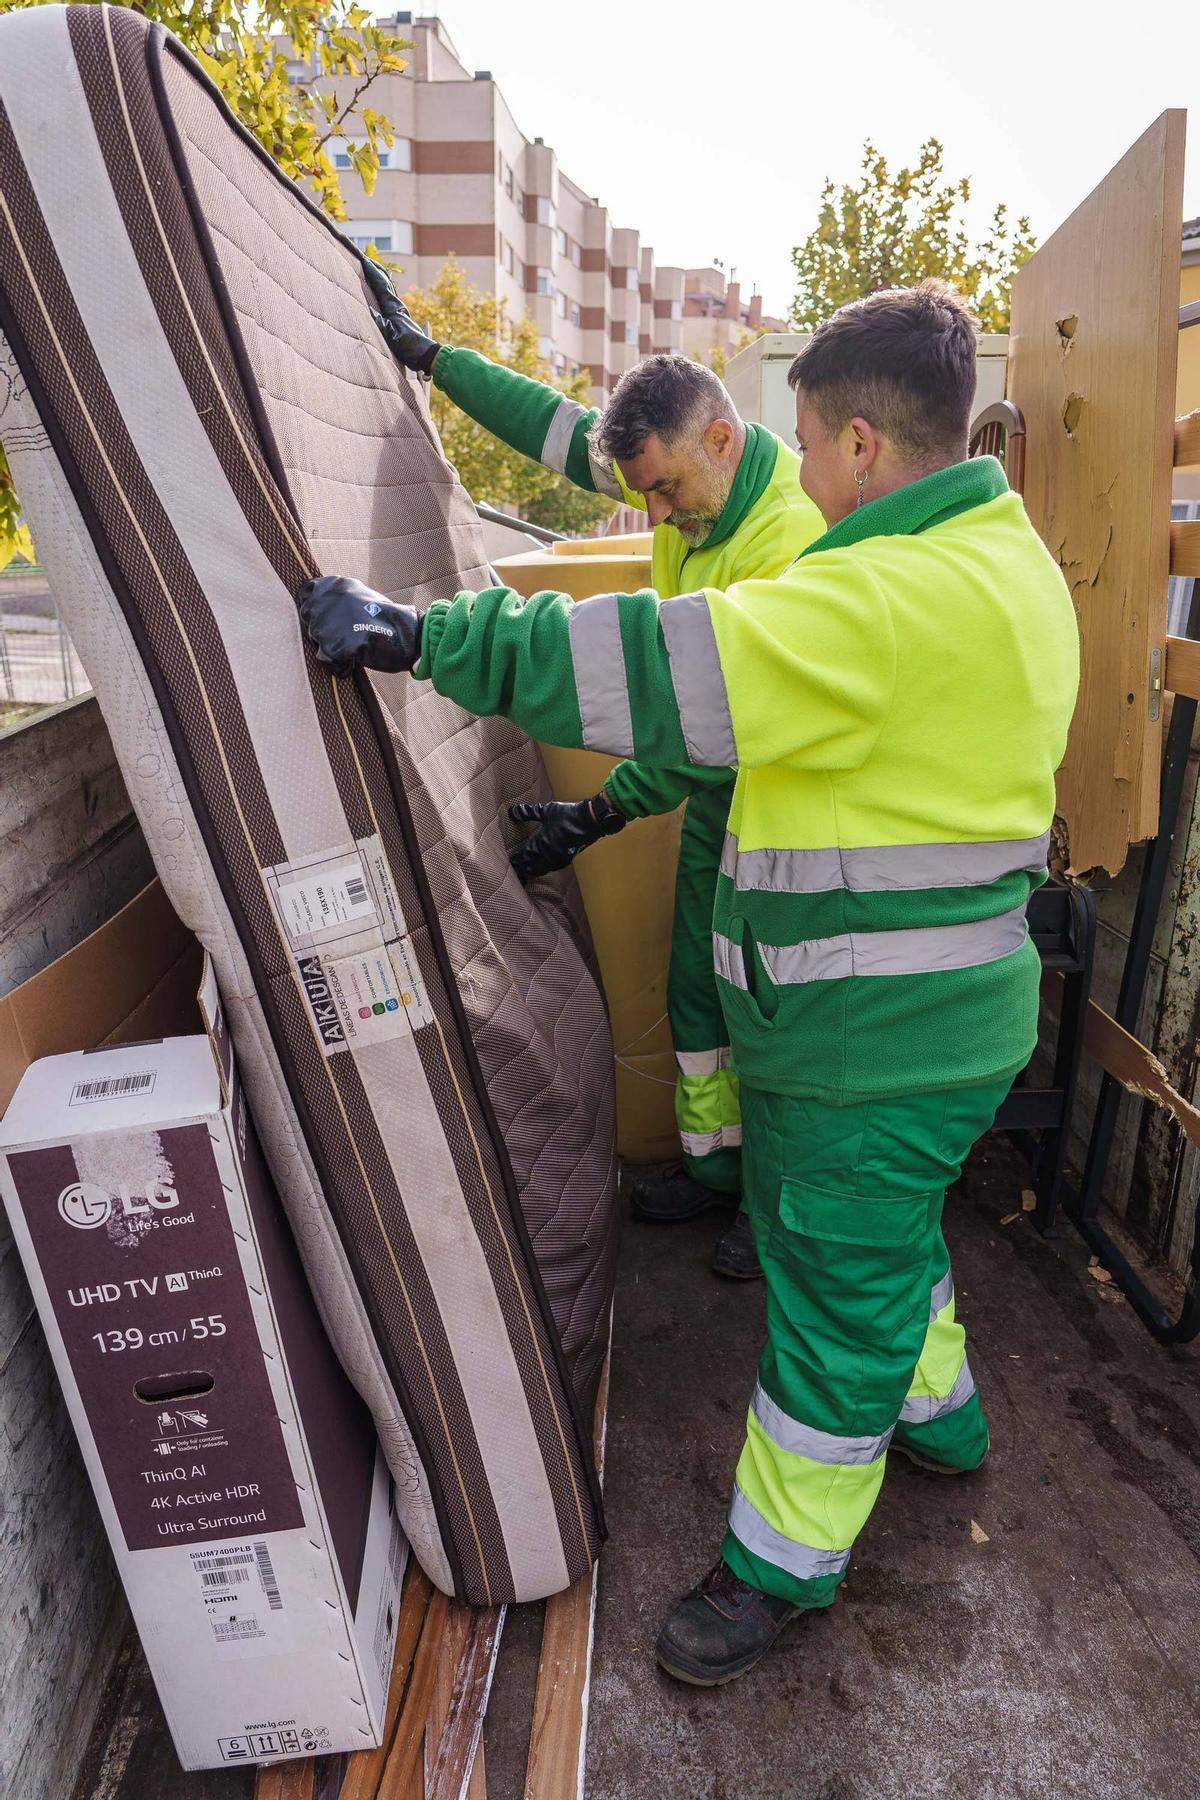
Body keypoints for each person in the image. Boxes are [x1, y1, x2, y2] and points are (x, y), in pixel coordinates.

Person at [298, 279, 1079, 1686]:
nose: (806, 471)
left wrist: (424, 640)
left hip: (870, 1042)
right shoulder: (1006, 562)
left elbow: (665, 672)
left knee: (829, 1306)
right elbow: (577, 449)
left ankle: (779, 1566)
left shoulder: (876, 596)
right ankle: (948, 1420)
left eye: (808, 442)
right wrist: (443, 364)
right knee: (884, 1240)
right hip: (948, 1022)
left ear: (856, 444)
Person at [363, 260, 825, 1278]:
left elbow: (711, 722)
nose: (652, 516)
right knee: (698, 995)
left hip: (785, 819)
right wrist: (436, 360)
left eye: (662, 491)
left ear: (721, 439)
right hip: (717, 803)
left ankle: (773, 1211)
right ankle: (713, 1172)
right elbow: (559, 431)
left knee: (768, 1025)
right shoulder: (686, 478)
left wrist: (603, 811)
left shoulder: (786, 548)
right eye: (642, 490)